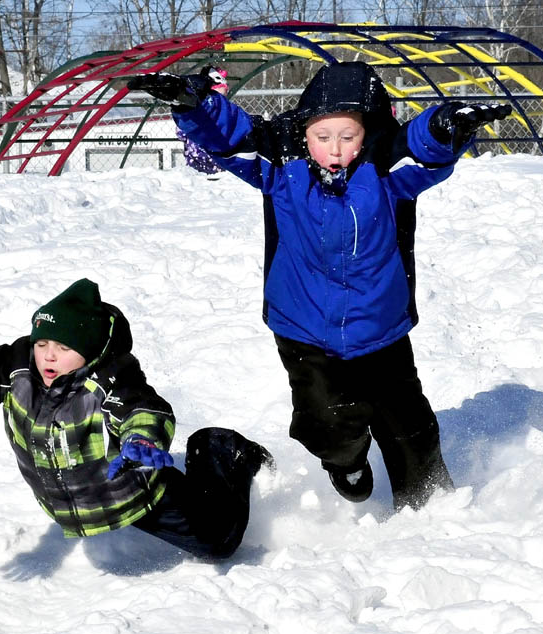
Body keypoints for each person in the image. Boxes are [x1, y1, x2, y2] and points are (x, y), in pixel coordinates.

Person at [128, 61, 511, 510]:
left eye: (347, 137)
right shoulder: (280, 164)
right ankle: (345, 462)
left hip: (379, 326)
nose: (334, 149)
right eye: (322, 136)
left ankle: (428, 506)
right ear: (303, 132)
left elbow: (421, 147)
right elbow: (232, 138)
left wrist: (448, 126)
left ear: (366, 133)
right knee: (326, 421)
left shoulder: (386, 168)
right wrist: (193, 105)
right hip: (303, 328)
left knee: (411, 428)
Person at [0, 278, 271, 561]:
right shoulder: (19, 369)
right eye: (42, 343)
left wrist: (143, 441)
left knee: (218, 540)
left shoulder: (109, 381)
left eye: (63, 347)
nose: (48, 355)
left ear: (90, 352)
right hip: (84, 499)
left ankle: (220, 451)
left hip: (135, 495)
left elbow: (145, 410)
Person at [174, 65, 229, 176]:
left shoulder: (221, 110)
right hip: (205, 157)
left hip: (200, 159)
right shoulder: (207, 109)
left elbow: (180, 132)